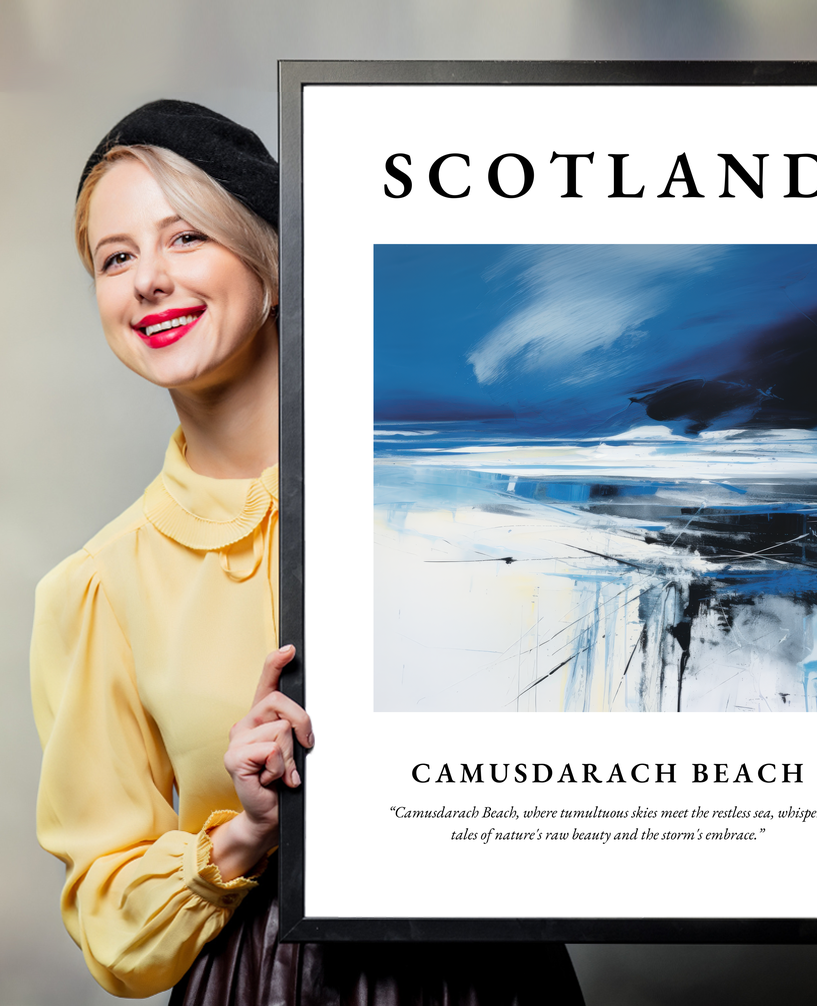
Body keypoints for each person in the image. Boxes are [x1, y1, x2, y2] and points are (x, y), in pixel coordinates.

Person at [30, 100, 585, 1004]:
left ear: (274, 264)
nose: (148, 281)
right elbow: (110, 923)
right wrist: (245, 832)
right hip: (263, 982)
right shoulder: (98, 587)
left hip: (492, 972)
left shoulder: (462, 494)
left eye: (186, 239)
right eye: (116, 257)